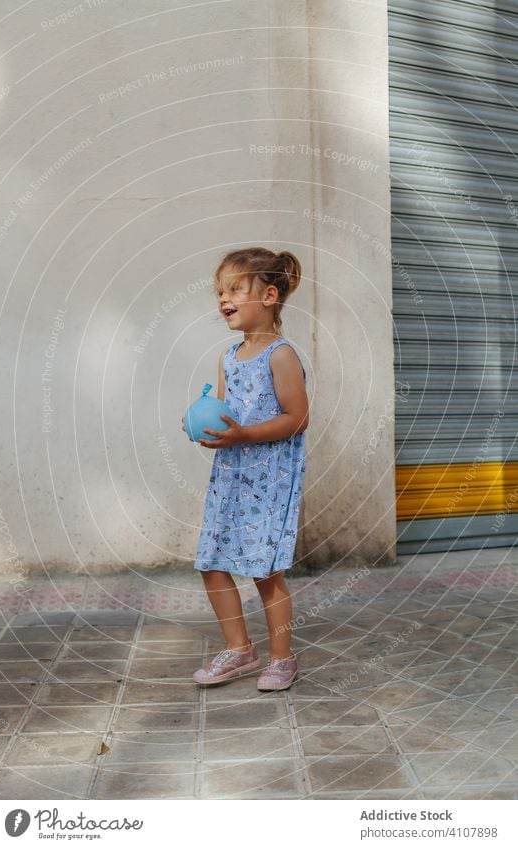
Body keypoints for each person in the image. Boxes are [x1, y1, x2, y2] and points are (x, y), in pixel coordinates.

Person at [182, 247, 309, 690]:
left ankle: (281, 658)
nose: (223, 299)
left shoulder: (281, 354)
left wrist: (244, 436)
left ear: (269, 294)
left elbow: (297, 417)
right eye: (220, 292)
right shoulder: (229, 357)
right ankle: (239, 649)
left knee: (264, 570)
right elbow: (225, 410)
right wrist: (204, 422)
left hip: (268, 479)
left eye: (235, 289)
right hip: (230, 477)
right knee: (211, 563)